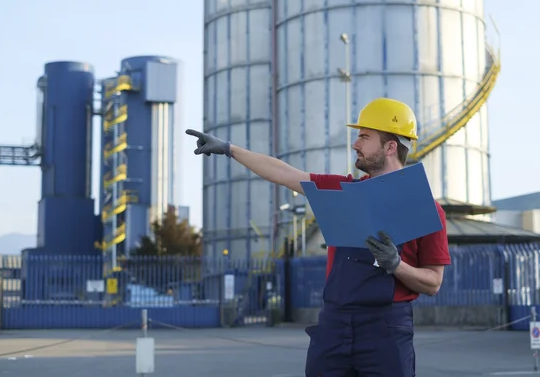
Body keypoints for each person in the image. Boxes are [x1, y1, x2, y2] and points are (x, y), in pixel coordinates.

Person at [186, 97, 451, 377]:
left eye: (364, 136)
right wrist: (230, 149)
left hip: (386, 330)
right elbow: (283, 173)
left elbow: (433, 283)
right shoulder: (340, 190)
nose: (355, 144)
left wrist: (396, 265)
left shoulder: (426, 210)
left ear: (390, 147)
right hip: (334, 325)